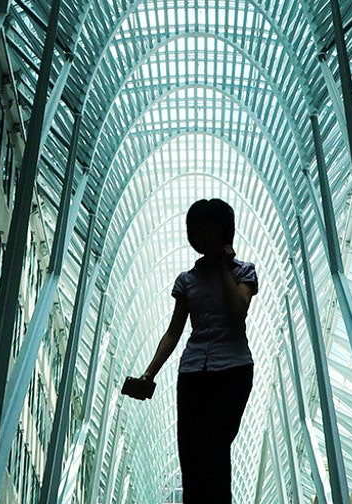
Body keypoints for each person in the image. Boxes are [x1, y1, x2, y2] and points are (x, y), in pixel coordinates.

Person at [135, 198, 258, 503]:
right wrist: (149, 373)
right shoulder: (186, 281)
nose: (202, 238)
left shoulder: (244, 272)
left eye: (210, 230)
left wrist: (226, 268)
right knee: (190, 450)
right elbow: (174, 331)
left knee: (216, 446)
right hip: (192, 373)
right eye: (196, 231)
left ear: (225, 233)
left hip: (232, 369)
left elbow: (238, 310)